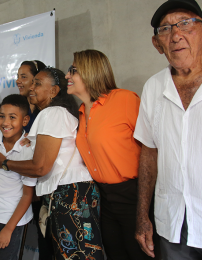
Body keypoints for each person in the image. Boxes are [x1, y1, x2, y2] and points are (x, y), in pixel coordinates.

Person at [0, 67, 103, 260]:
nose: (31, 87)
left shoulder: (52, 114)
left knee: (75, 254)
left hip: (70, 194)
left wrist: (5, 163)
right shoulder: (57, 113)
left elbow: (41, 167)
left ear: (53, 91)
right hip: (72, 193)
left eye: (37, 83)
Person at [66, 49, 153, 259]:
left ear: (90, 71)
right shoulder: (80, 112)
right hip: (103, 198)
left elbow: (153, 148)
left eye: (72, 70)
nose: (67, 76)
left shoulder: (124, 100)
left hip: (133, 196)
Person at [134, 0, 202, 259]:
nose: (176, 35)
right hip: (173, 224)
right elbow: (149, 153)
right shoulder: (153, 87)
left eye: (185, 23)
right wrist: (142, 216)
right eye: (165, 29)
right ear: (157, 44)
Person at [0, 94, 35, 260]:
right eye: (2, 116)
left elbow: (27, 194)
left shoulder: (28, 149)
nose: (5, 123)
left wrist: (9, 229)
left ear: (25, 120)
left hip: (12, 219)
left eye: (12, 117)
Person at [16, 60, 51, 260]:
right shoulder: (21, 107)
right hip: (24, 181)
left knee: (45, 231)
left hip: (42, 183)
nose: (19, 81)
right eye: (18, 76)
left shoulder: (45, 111)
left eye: (24, 77)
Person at [16, 60, 46, 132]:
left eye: (23, 77)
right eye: (18, 77)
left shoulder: (49, 109)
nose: (17, 81)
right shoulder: (18, 106)